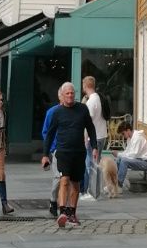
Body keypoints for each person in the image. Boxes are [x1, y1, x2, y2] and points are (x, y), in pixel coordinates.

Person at [41, 81, 97, 228]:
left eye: (72, 93)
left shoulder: (82, 109)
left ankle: (72, 213)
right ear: (62, 96)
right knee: (64, 180)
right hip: (63, 152)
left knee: (76, 184)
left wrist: (95, 147)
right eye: (67, 93)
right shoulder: (57, 112)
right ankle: (62, 212)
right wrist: (45, 154)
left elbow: (90, 128)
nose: (70, 95)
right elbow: (50, 133)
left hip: (79, 152)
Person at [79, 75, 108, 201]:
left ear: (85, 86)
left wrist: (85, 138)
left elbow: (88, 123)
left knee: (90, 164)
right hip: (102, 134)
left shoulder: (90, 102)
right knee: (96, 164)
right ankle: (97, 190)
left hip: (93, 138)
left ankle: (91, 192)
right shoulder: (99, 98)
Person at [42, 88, 63, 218]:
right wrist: (51, 148)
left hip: (71, 150)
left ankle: (65, 205)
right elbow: (46, 132)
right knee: (58, 177)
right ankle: (53, 201)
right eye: (66, 94)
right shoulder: (52, 112)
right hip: (57, 150)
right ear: (60, 97)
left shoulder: (74, 111)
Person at [114, 121, 147, 189]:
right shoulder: (130, 138)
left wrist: (118, 154)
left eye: (123, 133)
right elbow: (127, 152)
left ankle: (118, 185)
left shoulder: (137, 138)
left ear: (128, 130)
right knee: (119, 160)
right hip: (140, 159)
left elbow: (133, 155)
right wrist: (119, 155)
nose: (123, 136)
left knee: (124, 161)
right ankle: (116, 183)